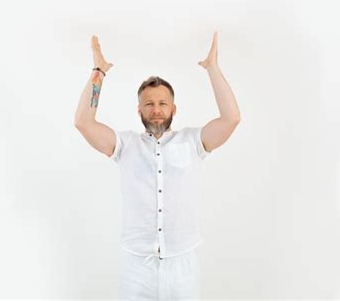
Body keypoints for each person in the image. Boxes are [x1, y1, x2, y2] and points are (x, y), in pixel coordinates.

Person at [74, 32, 241, 300]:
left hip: (182, 265)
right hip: (136, 267)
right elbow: (84, 122)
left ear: (174, 109)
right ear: (139, 110)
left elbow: (231, 118)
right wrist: (98, 72)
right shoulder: (125, 145)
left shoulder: (193, 142)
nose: (156, 110)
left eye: (163, 103)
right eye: (149, 104)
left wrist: (213, 68)